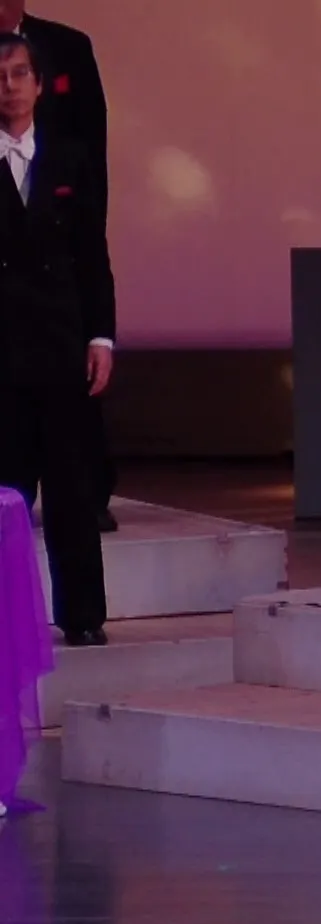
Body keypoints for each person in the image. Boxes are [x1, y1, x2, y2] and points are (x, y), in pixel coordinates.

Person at [0, 31, 112, 648]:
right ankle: (8, 621)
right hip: (3, 355)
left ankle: (84, 615)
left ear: (40, 84)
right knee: (6, 495)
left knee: (71, 488)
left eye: (20, 74)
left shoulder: (70, 159)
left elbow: (92, 255)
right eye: (0, 77)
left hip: (62, 345)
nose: (10, 87)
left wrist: (102, 337)